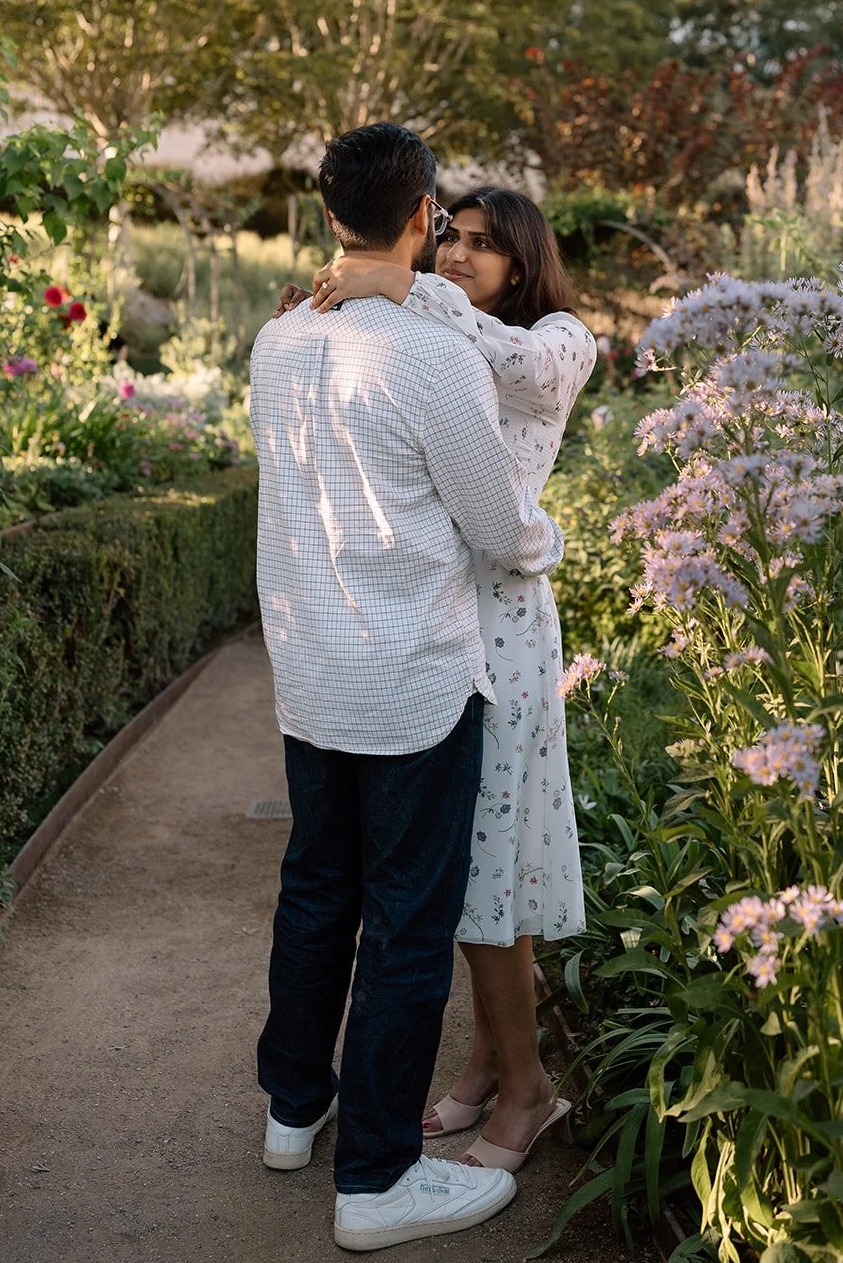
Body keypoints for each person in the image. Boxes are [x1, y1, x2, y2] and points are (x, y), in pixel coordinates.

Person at [249, 127, 565, 1252]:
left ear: (329, 211)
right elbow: (497, 526)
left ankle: (296, 1109)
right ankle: (377, 1179)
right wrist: (548, 538)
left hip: (312, 674)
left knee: (314, 892)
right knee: (406, 926)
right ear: (424, 210)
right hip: (417, 685)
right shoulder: (429, 360)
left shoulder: (279, 338)